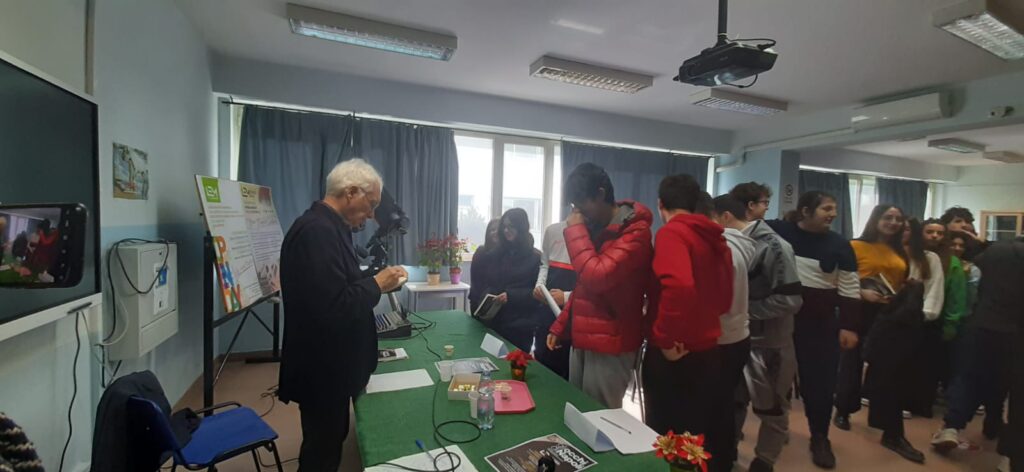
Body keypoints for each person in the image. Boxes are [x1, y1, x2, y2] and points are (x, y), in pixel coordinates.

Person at [278, 159, 409, 472]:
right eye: (371, 204)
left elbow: (339, 283)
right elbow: (333, 307)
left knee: (330, 440)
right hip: (323, 370)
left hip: (330, 367)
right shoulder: (317, 232)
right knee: (322, 451)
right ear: (351, 192)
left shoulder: (329, 228)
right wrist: (377, 285)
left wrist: (377, 281)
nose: (372, 214)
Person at [546, 163, 654, 408]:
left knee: (600, 418)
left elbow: (596, 277)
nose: (578, 213)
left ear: (601, 194)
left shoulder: (635, 234)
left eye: (582, 204)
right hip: (584, 335)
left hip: (611, 342)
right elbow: (584, 285)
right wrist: (561, 325)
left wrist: (575, 231)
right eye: (574, 207)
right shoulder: (597, 229)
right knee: (576, 410)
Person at [768, 191, 860, 470]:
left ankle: (820, 437)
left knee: (819, 384)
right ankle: (775, 429)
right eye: (826, 209)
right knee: (774, 379)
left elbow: (849, 288)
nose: (832, 213)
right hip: (779, 320)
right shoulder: (778, 231)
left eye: (834, 208)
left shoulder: (840, 245)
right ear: (805, 211)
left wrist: (849, 326)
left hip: (819, 325)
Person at [643, 174, 733, 444]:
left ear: (661, 204)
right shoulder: (716, 238)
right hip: (707, 349)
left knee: (664, 436)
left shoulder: (672, 233)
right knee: (693, 436)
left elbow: (680, 286)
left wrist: (667, 338)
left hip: (674, 352)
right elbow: (725, 297)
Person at [729, 188, 803, 472]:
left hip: (769, 342)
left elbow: (790, 300)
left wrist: (741, 310)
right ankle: (729, 452)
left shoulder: (774, 246)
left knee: (771, 408)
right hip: (738, 339)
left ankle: (764, 461)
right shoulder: (736, 242)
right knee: (734, 402)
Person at [932, 236, 1024, 453]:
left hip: (981, 323)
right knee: (1008, 381)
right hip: (1016, 330)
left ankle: (952, 427)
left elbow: (973, 277)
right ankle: (995, 426)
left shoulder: (996, 251)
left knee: (969, 376)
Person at [862, 217, 939, 464]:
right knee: (881, 377)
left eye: (905, 227)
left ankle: (894, 433)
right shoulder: (885, 252)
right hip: (880, 319)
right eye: (891, 221)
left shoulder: (928, 258)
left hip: (910, 323)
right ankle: (888, 429)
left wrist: (918, 314)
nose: (898, 228)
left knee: (898, 380)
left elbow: (934, 293)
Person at [834, 205, 906, 430]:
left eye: (898, 218)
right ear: (876, 219)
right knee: (851, 362)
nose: (893, 222)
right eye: (887, 217)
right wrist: (861, 293)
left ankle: (880, 416)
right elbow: (839, 279)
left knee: (883, 365)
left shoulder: (900, 250)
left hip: (888, 312)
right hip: (860, 308)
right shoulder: (856, 246)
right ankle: (843, 410)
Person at [706, 194, 756, 472]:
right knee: (725, 406)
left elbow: (716, 302)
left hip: (719, 340)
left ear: (723, 217)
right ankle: (725, 459)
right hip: (738, 336)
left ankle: (718, 462)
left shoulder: (725, 248)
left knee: (714, 411)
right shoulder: (745, 246)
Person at [470, 209, 542, 351]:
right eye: (504, 227)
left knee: (515, 366)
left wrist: (511, 296)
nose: (506, 230)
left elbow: (537, 293)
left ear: (521, 227)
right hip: (495, 321)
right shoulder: (496, 253)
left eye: (511, 227)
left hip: (520, 326)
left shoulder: (535, 258)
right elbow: (487, 281)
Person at [532, 218, 576, 379]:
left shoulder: (594, 232)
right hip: (546, 309)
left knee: (566, 369)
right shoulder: (553, 231)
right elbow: (545, 264)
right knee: (543, 362)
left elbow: (592, 284)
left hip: (573, 312)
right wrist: (539, 286)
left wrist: (565, 297)